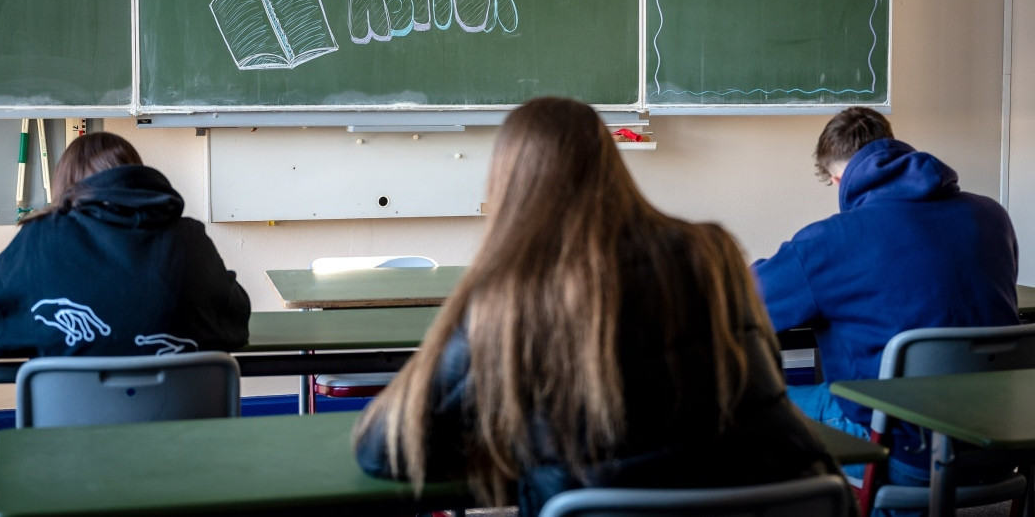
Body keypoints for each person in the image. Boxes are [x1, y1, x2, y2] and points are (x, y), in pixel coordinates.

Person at [353, 97, 849, 517]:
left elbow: (382, 449)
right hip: (789, 498)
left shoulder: (511, 296)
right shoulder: (713, 253)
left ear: (507, 185)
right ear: (612, 168)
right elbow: (767, 378)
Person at [753, 107, 1019, 491]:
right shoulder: (991, 217)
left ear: (838, 178)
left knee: (751, 404)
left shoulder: (830, 240)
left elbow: (740, 300)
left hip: (903, 453)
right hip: (1003, 444)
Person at [0, 132, 251, 358]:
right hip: (181, 413)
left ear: (63, 182)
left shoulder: (40, 236)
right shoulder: (189, 237)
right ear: (136, 175)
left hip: (70, 415)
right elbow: (235, 323)